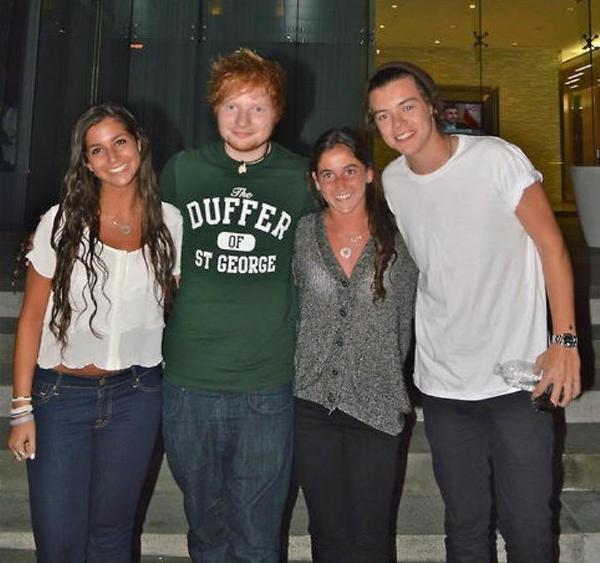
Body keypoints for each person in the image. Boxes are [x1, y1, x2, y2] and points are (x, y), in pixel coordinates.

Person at [367, 61, 581, 563]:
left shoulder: (495, 159)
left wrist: (565, 340)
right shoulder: (394, 182)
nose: (398, 124)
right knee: (464, 529)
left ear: (431, 106)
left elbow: (552, 248)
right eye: (382, 116)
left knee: (529, 530)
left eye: (407, 107)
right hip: (444, 384)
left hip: (517, 379)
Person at [7, 103, 182, 563]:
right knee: (59, 542)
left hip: (137, 396)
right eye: (97, 150)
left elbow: (175, 306)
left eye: (119, 142)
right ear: (86, 163)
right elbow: (31, 317)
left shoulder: (171, 223)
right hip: (61, 396)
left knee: (112, 538)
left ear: (139, 143)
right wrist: (21, 409)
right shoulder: (61, 222)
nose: (112, 157)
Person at [159, 48, 315, 562]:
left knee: (259, 535)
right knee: (205, 527)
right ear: (214, 109)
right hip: (189, 379)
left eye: (257, 107)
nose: (243, 120)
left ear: (278, 112)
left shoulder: (301, 178)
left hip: (266, 381)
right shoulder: (183, 171)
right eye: (232, 106)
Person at [292, 128, 417, 562]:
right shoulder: (301, 234)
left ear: (368, 173)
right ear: (315, 181)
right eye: (327, 174)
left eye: (349, 170)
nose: (340, 184)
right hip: (311, 404)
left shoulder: (403, 237)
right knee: (327, 532)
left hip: (377, 403)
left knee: (370, 536)